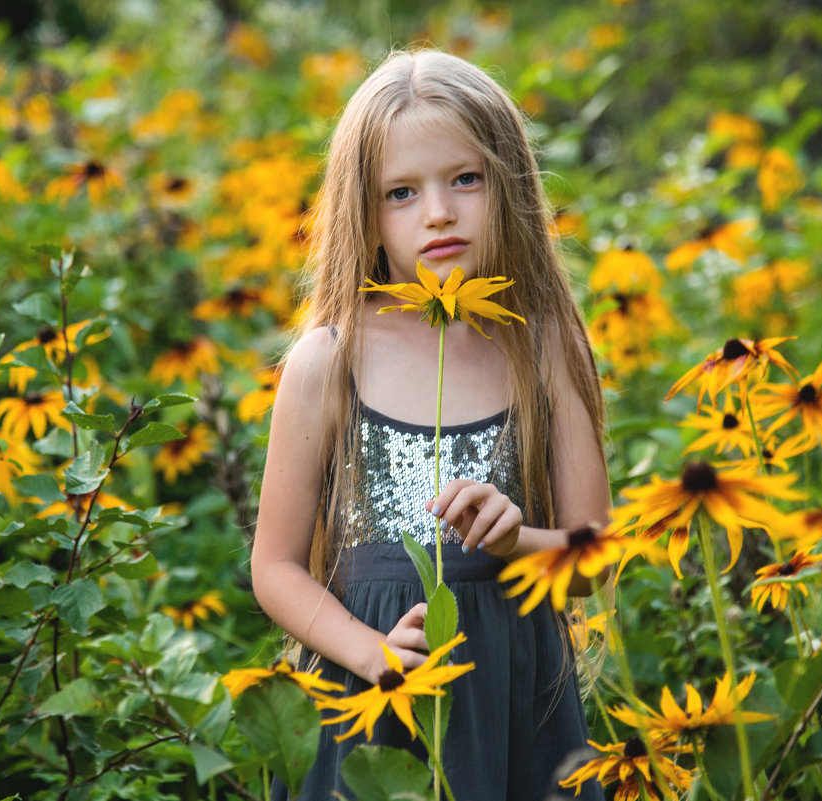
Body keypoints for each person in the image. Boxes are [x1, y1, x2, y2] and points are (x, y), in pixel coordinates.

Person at [251, 48, 608, 801]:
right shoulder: (329, 359)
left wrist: (519, 541)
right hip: (370, 705)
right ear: (364, 211)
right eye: (401, 192)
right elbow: (275, 566)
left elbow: (594, 551)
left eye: (465, 179)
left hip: (515, 697)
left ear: (509, 184)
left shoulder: (542, 343)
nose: (438, 211)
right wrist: (371, 652)